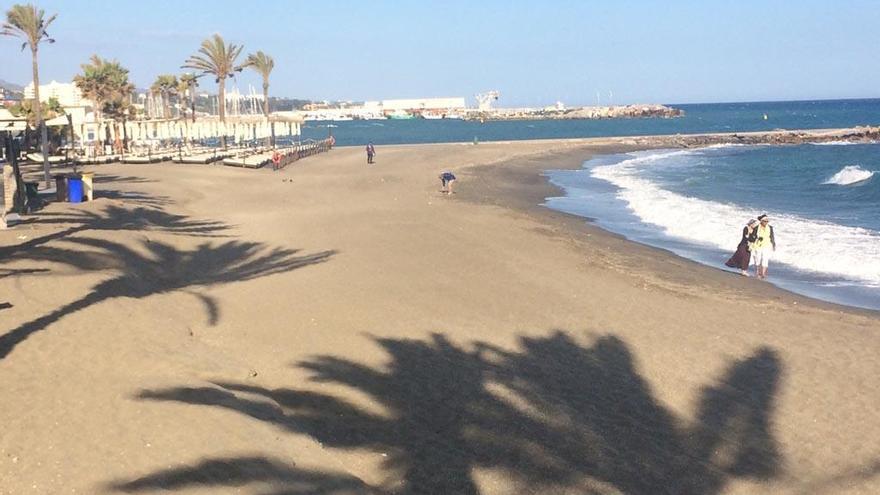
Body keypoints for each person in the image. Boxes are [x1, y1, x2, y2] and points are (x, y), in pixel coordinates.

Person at [750, 214, 776, 279]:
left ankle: (763, 274)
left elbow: (772, 236)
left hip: (767, 245)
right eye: (765, 221)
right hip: (757, 245)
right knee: (757, 258)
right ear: (761, 221)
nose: (766, 222)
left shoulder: (770, 227)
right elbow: (752, 234)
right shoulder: (756, 227)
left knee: (765, 259)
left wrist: (773, 244)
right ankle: (757, 272)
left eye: (767, 221)